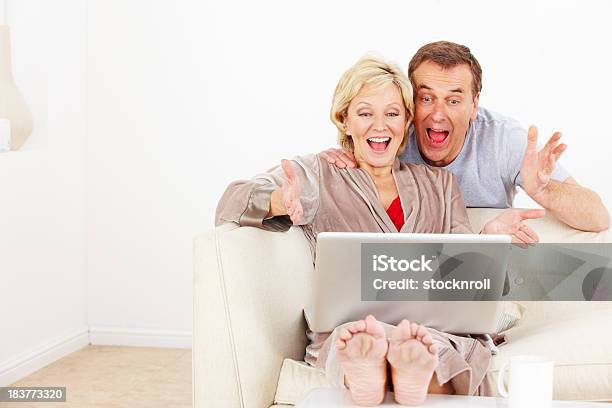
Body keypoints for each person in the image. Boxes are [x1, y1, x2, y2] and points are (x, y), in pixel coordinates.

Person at [216, 55, 539, 406]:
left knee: (438, 344)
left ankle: (403, 369)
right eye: (365, 113)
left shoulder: (440, 185)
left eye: (392, 113)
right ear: (345, 119)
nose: (379, 126)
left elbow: (459, 274)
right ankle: (382, 369)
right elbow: (230, 202)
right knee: (355, 339)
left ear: (406, 121)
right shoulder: (319, 173)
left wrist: (487, 240)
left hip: (431, 329)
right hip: (355, 327)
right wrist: (280, 200)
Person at [321, 41, 609, 233]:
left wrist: (544, 192)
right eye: (426, 98)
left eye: (454, 101)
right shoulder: (391, 133)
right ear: (410, 100)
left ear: (475, 105)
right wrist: (343, 157)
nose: (437, 114)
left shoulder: (504, 141)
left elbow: (599, 217)